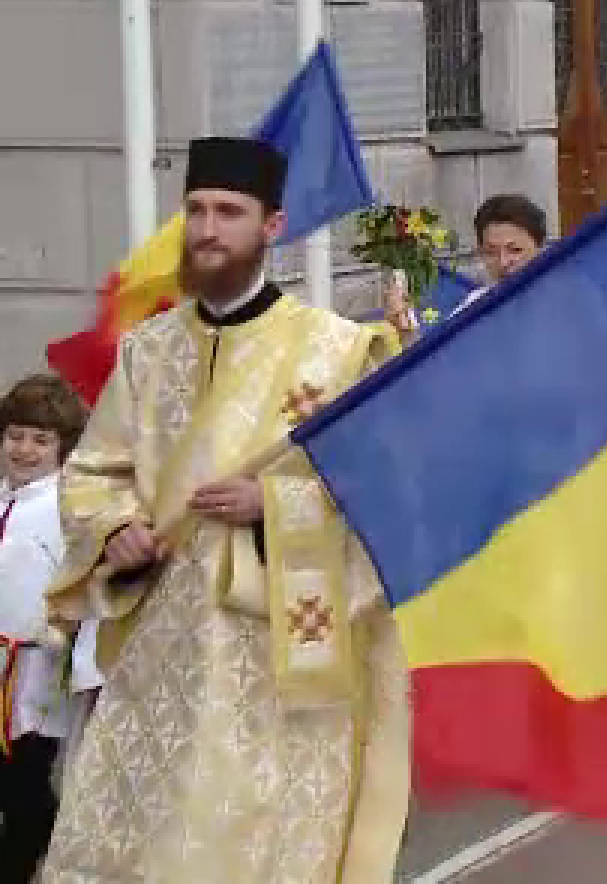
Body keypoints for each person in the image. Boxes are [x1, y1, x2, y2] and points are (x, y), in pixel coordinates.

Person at [42, 136, 411, 883]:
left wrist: (275, 503)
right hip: (160, 656)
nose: (208, 229)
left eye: (229, 213)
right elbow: (90, 474)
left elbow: (388, 497)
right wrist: (115, 529)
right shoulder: (148, 353)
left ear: (272, 227)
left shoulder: (337, 353)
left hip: (276, 663)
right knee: (121, 842)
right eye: (197, 210)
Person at [0, 374, 92, 883]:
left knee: (28, 784)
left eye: (41, 439)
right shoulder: (4, 501)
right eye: (16, 435)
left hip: (39, 673)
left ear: (63, 446)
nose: (25, 449)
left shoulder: (67, 508)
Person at [383, 193, 548, 337]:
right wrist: (406, 333)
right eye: (491, 252)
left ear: (541, 248)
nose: (503, 262)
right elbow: (441, 364)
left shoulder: (563, 304)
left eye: (515, 250)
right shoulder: (475, 307)